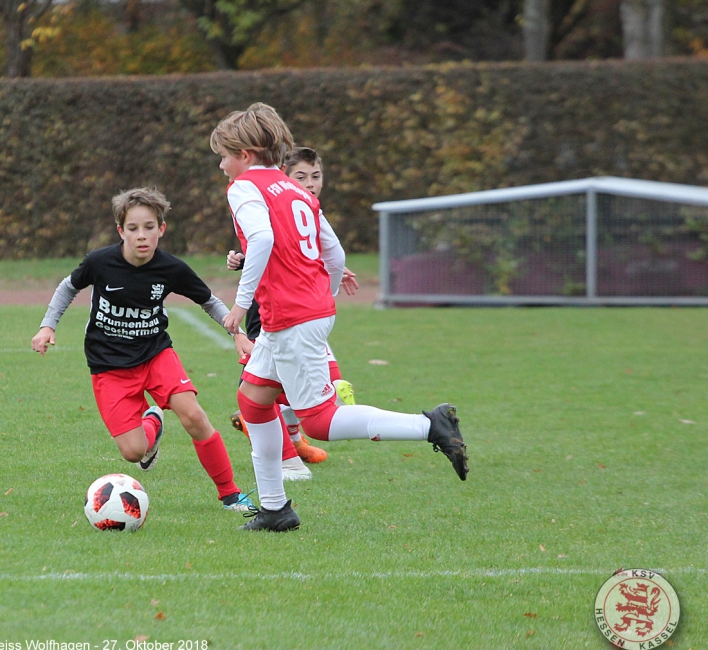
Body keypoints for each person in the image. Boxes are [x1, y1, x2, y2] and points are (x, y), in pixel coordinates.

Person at [210, 103, 469, 532]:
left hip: (291, 317)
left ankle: (429, 425)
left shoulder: (244, 187)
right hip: (300, 314)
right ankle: (275, 509)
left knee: (319, 420)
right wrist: (320, 298)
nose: (221, 165)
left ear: (246, 154)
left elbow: (261, 238)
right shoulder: (296, 191)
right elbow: (336, 253)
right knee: (253, 400)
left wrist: (241, 303)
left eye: (224, 156)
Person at [31, 187, 257, 512]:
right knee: (133, 452)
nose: (141, 235)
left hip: (155, 355)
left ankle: (231, 495)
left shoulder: (171, 268)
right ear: (120, 230)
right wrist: (47, 325)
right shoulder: (100, 262)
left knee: (194, 416)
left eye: (149, 227)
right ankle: (154, 422)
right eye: (133, 228)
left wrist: (237, 333)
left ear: (161, 229)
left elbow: (209, 301)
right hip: (109, 366)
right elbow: (68, 287)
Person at [226, 146, 359, 478]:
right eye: (302, 176)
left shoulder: (298, 201)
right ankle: (290, 453)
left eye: (316, 176)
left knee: (274, 390)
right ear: (283, 175)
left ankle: (291, 450)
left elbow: (312, 253)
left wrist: (324, 277)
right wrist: (241, 264)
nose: (310, 183)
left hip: (296, 308)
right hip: (275, 308)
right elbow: (267, 244)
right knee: (267, 391)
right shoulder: (277, 195)